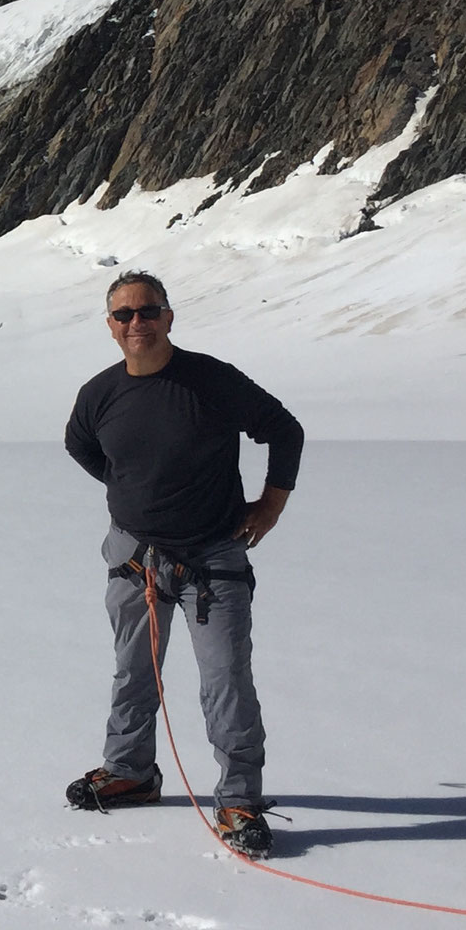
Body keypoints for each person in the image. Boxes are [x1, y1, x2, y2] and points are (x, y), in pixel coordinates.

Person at [61, 270, 304, 860]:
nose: (136, 323)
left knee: (225, 682)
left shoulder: (211, 381)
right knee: (133, 674)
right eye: (124, 315)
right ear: (111, 327)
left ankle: (239, 799)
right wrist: (132, 492)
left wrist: (269, 506)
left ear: (169, 316)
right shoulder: (100, 394)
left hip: (211, 559)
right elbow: (81, 445)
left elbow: (285, 431)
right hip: (135, 560)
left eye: (148, 311)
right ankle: (131, 772)